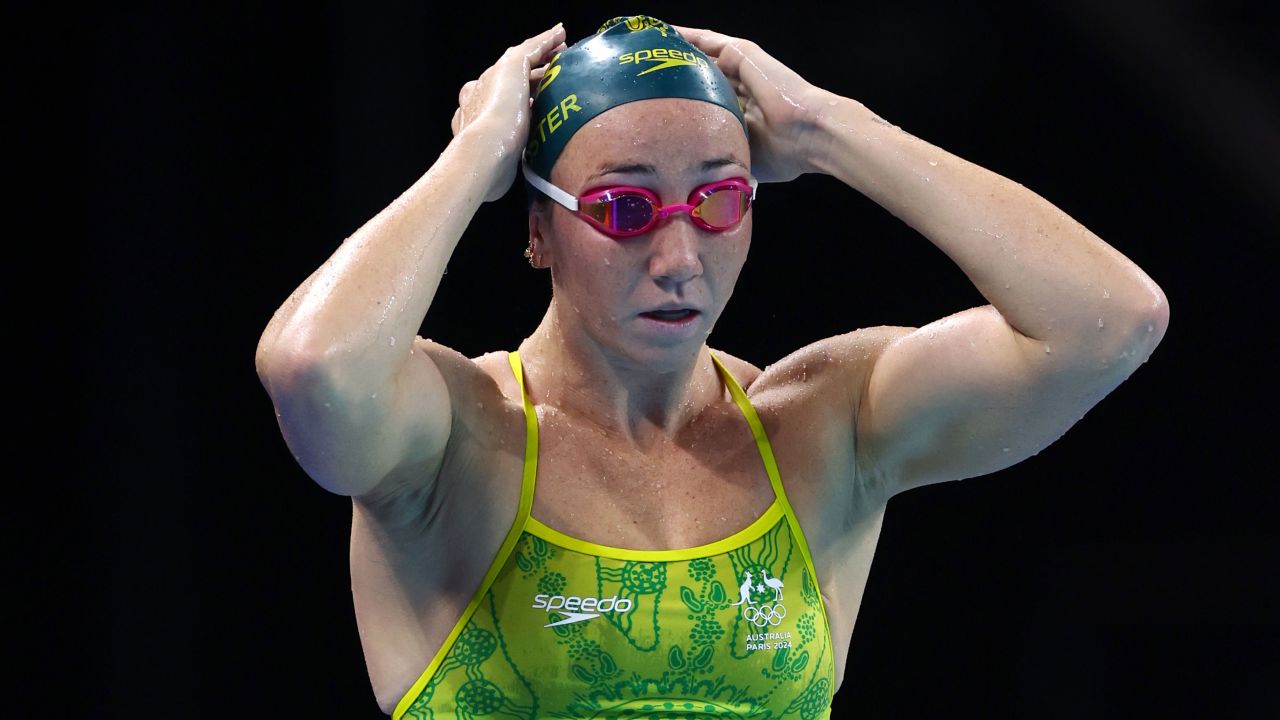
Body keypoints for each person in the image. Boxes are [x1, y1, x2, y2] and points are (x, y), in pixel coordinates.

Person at [255, 15, 1168, 719]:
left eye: (720, 199)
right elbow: (310, 368)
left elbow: (1108, 321)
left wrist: (824, 128)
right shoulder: (454, 435)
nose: (681, 255)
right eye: (624, 208)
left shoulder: (819, 425)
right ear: (537, 230)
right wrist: (473, 156)